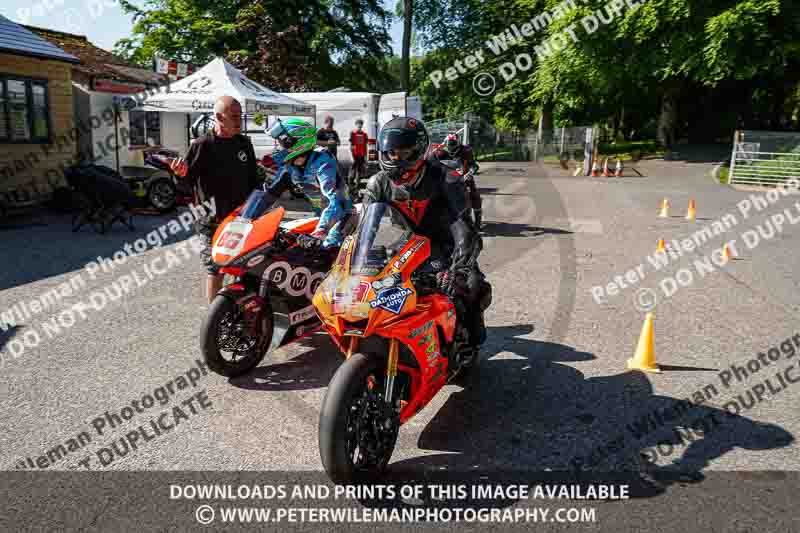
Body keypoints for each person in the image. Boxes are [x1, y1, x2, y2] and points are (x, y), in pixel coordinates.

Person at [363, 117, 491, 364]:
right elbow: (364, 229)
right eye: (391, 152)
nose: (396, 158)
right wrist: (350, 261)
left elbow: (464, 227)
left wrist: (459, 269)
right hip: (408, 246)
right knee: (380, 288)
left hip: (448, 246)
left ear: (419, 150)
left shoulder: (447, 179)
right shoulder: (378, 182)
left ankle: (470, 338)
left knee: (471, 286)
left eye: (404, 152)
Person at [169, 96, 260, 304]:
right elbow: (184, 186)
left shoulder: (244, 143)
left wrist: (257, 208)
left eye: (240, 117)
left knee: (245, 269)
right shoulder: (203, 145)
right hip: (211, 222)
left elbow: (253, 181)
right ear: (219, 117)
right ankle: (214, 320)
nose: (239, 122)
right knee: (216, 270)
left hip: (242, 221)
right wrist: (179, 175)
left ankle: (242, 314)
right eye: (234, 117)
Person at [263, 123, 354, 250]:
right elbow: (269, 195)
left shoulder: (323, 161)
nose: (279, 147)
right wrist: (245, 219)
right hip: (320, 217)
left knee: (327, 250)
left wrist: (320, 231)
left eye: (282, 143)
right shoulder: (290, 167)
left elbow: (334, 200)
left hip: (342, 217)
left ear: (298, 142)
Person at [431, 133, 483, 229]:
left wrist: (470, 173)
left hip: (465, 177)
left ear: (458, 143)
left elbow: (474, 165)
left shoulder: (466, 150)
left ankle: (478, 221)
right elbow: (432, 163)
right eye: (449, 145)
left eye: (453, 144)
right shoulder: (440, 152)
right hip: (447, 179)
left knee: (474, 195)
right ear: (445, 144)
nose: (451, 148)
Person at [349, 118, 369, 193]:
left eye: (361, 124)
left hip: (361, 155)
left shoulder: (364, 134)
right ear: (356, 125)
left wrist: (366, 157)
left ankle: (357, 188)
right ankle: (350, 187)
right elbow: (350, 145)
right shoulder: (353, 133)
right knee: (352, 172)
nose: (359, 125)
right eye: (358, 124)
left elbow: (365, 146)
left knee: (359, 172)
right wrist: (351, 156)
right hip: (355, 155)